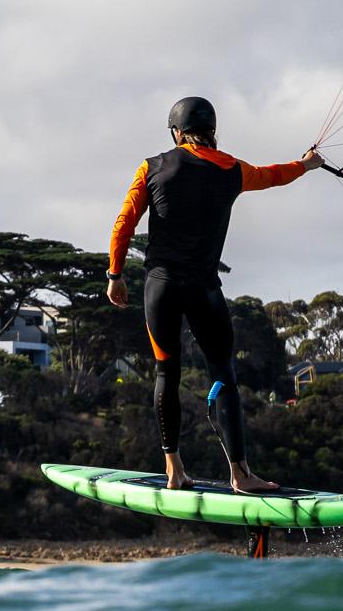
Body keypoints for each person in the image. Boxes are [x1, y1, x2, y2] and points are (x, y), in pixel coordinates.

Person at [108, 95, 323, 493]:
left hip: (161, 287)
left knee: (165, 372)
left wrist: (115, 274)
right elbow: (274, 174)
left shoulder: (152, 167)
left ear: (177, 134)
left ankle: (174, 470)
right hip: (204, 289)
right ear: (212, 132)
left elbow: (124, 224)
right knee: (224, 372)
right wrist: (306, 165)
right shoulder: (233, 170)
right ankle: (240, 474)